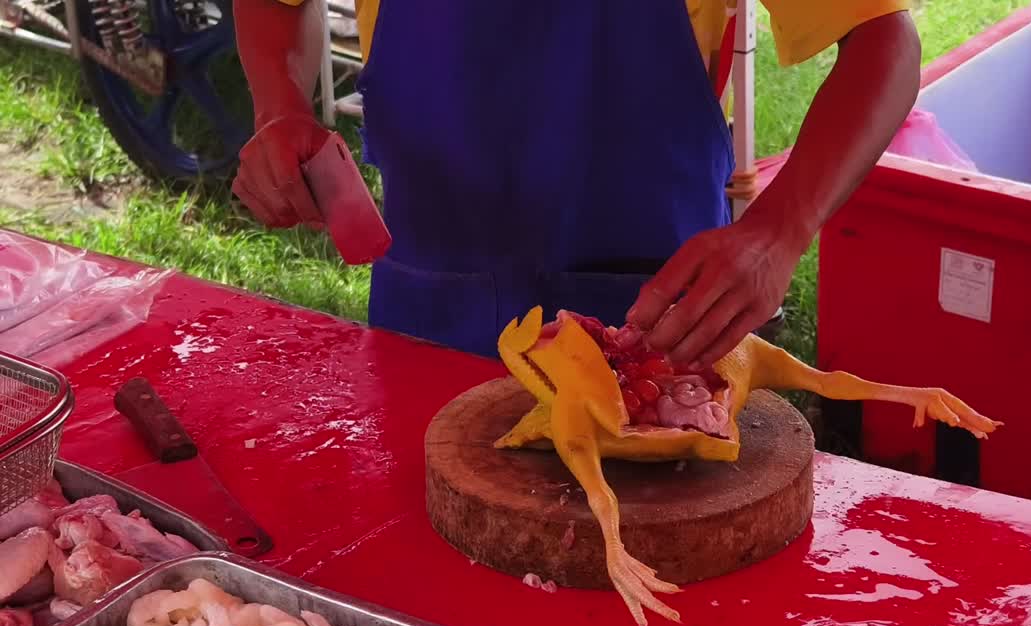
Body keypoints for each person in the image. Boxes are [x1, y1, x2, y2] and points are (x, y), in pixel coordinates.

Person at [231, 0, 921, 362]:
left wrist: (779, 230)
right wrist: (279, 111)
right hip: (426, 305)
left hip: (654, 317)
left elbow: (884, 43)